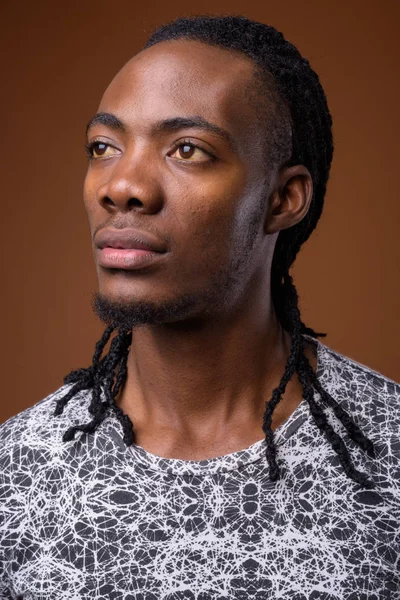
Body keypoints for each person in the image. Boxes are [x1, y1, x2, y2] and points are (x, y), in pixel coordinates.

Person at [0, 14, 399, 600]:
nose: (121, 185)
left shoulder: (385, 454)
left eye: (187, 149)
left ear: (283, 198)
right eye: (103, 147)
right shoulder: (16, 477)